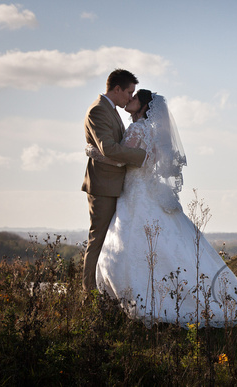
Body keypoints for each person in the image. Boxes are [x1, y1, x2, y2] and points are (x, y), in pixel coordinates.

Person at [85, 90, 237, 328]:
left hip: (135, 194)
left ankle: (139, 304)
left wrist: (92, 152)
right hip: (145, 191)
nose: (129, 100)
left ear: (144, 107)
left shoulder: (138, 129)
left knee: (130, 247)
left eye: (134, 98)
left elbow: (120, 157)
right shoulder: (155, 132)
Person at [81, 69, 147, 292]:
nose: (130, 97)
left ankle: (107, 290)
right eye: (129, 92)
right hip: (103, 186)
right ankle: (88, 294)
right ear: (117, 89)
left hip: (115, 185)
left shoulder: (112, 110)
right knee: (98, 240)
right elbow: (108, 148)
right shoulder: (99, 110)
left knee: (111, 243)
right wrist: (143, 157)